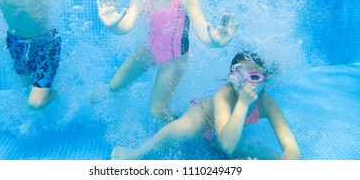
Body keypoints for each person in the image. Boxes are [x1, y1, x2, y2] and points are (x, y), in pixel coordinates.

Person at [95, 0, 236, 122]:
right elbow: (126, 25)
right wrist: (112, 25)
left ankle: (182, 126)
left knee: (157, 110)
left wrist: (216, 41)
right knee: (114, 86)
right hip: (151, 48)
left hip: (175, 58)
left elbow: (202, 30)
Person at [111, 51, 302, 160]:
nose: (247, 84)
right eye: (240, 76)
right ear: (232, 78)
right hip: (204, 115)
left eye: (254, 77)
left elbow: (293, 149)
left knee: (269, 155)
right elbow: (227, 145)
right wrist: (243, 104)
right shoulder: (224, 95)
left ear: (262, 80)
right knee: (185, 128)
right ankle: (137, 152)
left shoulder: (267, 103)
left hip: (226, 130)